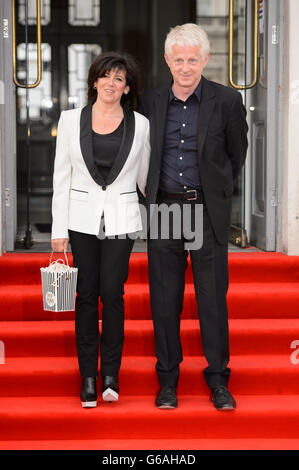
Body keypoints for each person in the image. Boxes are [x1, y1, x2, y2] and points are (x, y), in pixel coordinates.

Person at [140, 23, 248, 410]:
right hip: (165, 209)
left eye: (193, 59)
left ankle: (218, 380)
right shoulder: (150, 101)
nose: (186, 67)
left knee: (212, 299)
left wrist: (215, 190)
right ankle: (167, 381)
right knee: (164, 300)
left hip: (205, 211)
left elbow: (237, 155)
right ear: (168, 60)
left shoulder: (226, 101)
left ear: (206, 59)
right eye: (179, 59)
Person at [51, 51, 150, 408]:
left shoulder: (140, 124)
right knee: (86, 296)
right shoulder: (69, 119)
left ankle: (111, 374)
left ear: (127, 88)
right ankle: (88, 378)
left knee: (113, 294)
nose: (111, 83)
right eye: (106, 76)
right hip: (80, 220)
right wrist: (57, 229)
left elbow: (144, 179)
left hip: (122, 221)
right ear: (94, 81)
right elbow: (61, 177)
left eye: (119, 79)